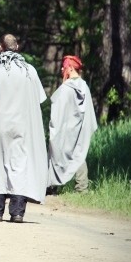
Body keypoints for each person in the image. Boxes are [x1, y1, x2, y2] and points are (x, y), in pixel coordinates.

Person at [0, 33, 48, 223]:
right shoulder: (30, 71)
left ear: (0, 47)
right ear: (17, 47)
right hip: (21, 127)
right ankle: (17, 212)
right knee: (19, 167)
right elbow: (39, 100)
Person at [48, 55, 97, 193]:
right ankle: (82, 188)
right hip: (80, 128)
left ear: (70, 68)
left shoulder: (65, 89)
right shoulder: (84, 87)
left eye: (64, 67)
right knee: (79, 154)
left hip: (65, 129)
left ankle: (51, 186)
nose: (62, 69)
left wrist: (54, 129)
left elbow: (58, 112)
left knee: (56, 153)